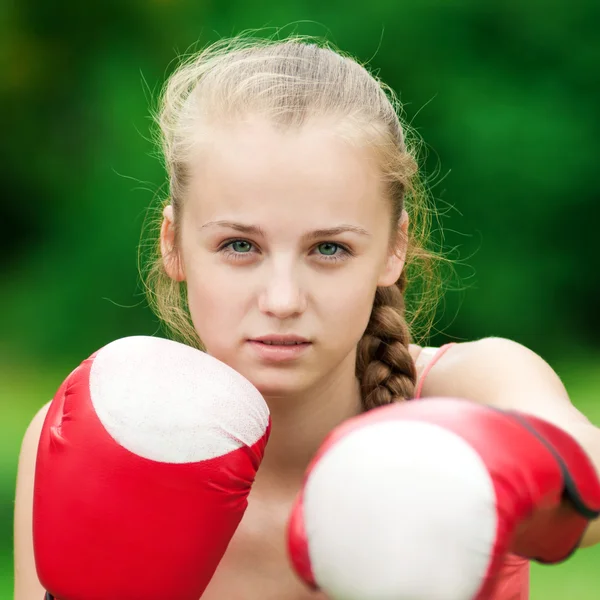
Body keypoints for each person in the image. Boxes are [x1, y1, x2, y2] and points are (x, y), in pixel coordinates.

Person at [13, 34, 600, 600]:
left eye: (329, 249)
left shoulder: (469, 389)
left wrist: (499, 471)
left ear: (394, 250)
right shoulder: (101, 433)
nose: (283, 298)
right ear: (174, 244)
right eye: (240, 246)